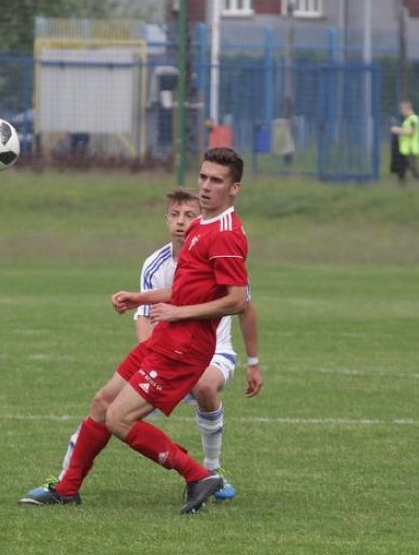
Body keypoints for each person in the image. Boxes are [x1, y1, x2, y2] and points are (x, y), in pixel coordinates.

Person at [19, 147, 250, 514]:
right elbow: (186, 289)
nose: (205, 186)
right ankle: (67, 488)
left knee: (120, 419)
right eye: (203, 177)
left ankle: (198, 474)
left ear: (234, 188)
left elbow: (237, 300)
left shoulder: (226, 234)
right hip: (165, 339)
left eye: (216, 180)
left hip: (185, 346)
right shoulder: (200, 227)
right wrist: (138, 297)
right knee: (102, 403)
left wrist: (179, 313)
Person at [391, 101, 419, 183]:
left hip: (411, 148)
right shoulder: (408, 120)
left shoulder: (413, 119)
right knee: (407, 165)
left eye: (402, 109)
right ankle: (403, 180)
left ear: (407, 109)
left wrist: (397, 130)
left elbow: (410, 132)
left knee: (412, 166)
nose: (401, 112)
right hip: (406, 148)